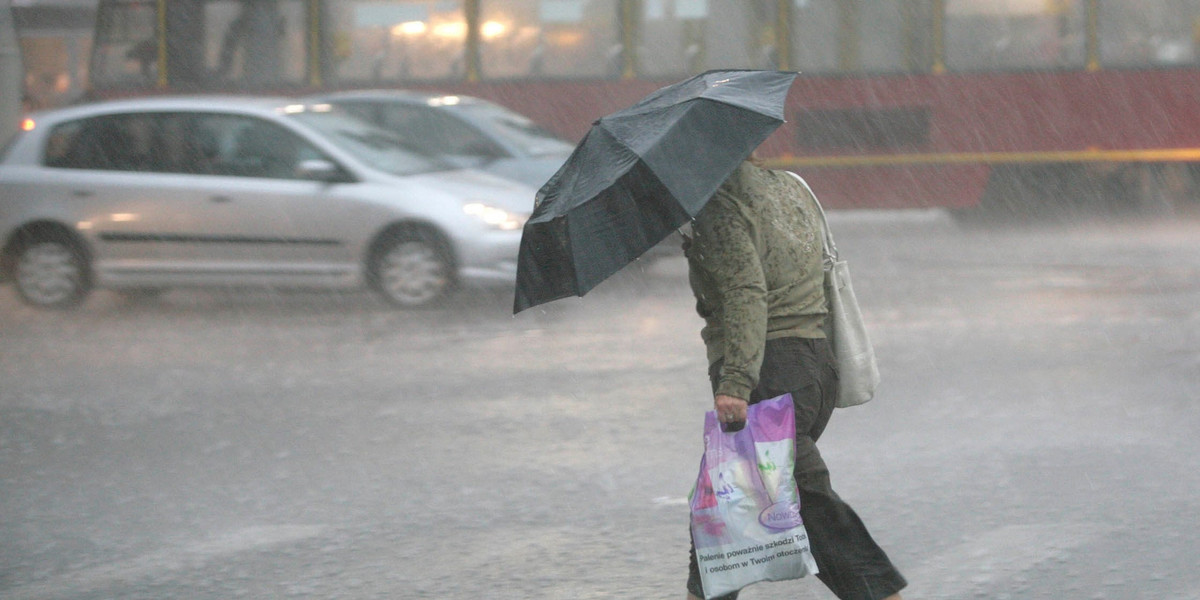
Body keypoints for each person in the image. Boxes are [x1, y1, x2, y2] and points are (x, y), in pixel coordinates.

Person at [682, 158, 907, 600]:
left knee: (807, 508)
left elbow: (746, 291)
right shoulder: (788, 187)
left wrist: (736, 382)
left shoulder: (719, 205)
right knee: (723, 507)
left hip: (768, 374)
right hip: (812, 364)